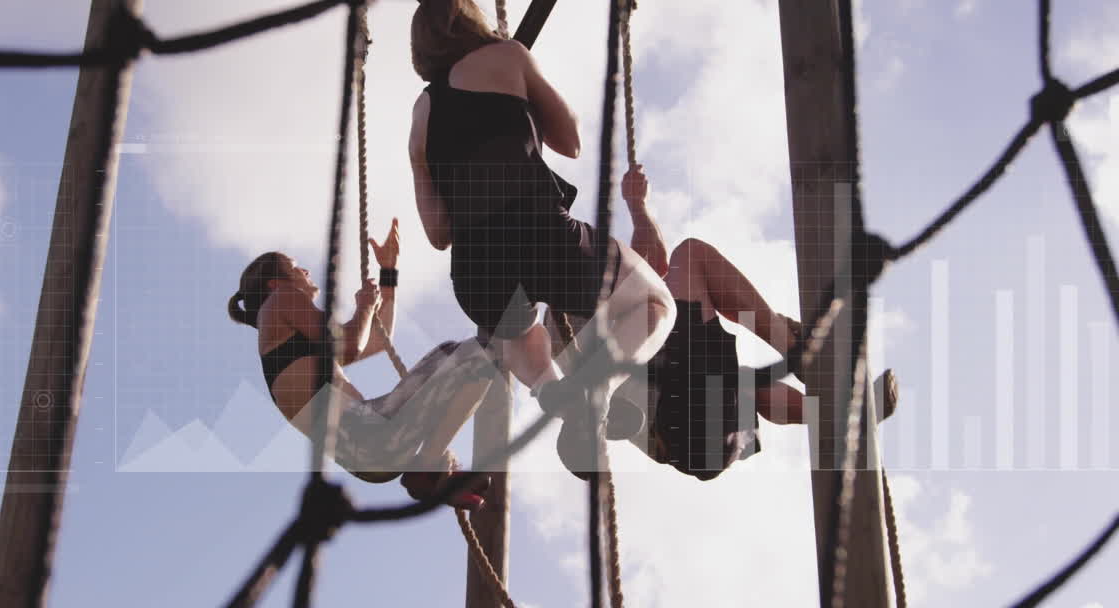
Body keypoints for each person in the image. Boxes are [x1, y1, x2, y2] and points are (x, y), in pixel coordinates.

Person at [407, 0, 676, 474]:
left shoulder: (422, 112)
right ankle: (596, 394)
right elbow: (570, 141)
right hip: (539, 234)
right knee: (656, 303)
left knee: (517, 330)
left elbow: (437, 232)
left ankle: (564, 401)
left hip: (475, 274)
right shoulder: (507, 56)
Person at [551, 165, 898, 480]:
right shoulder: (573, 300)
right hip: (680, 414)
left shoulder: (569, 314)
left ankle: (836, 416)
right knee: (692, 256)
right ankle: (800, 356)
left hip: (693, 442)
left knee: (740, 379)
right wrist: (637, 208)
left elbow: (649, 271)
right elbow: (650, 268)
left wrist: (638, 207)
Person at [228, 218, 494, 508]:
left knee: (451, 352)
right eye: (295, 267)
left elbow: (378, 341)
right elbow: (350, 345)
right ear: (275, 283)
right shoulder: (280, 298)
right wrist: (365, 306)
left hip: (371, 453)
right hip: (372, 438)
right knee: (479, 355)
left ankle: (432, 471)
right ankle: (429, 467)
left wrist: (388, 273)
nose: (305, 271)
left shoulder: (290, 347)